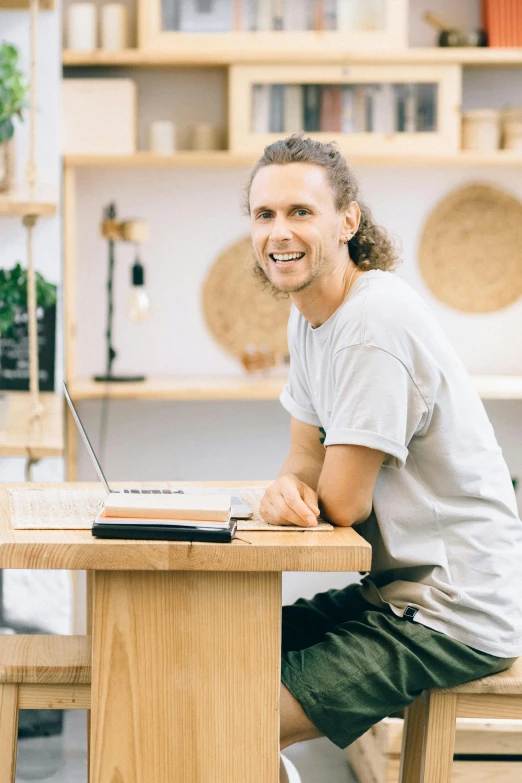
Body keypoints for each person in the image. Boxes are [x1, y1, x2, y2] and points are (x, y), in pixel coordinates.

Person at [244, 134, 522, 782]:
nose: (278, 232)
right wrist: (289, 486)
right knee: (221, 641)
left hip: (452, 612)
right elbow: (302, 454)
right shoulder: (309, 316)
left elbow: (343, 501)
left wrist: (298, 489)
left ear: (349, 220)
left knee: (230, 705)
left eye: (300, 211)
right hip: (393, 594)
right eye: (264, 214)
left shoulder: (374, 322)